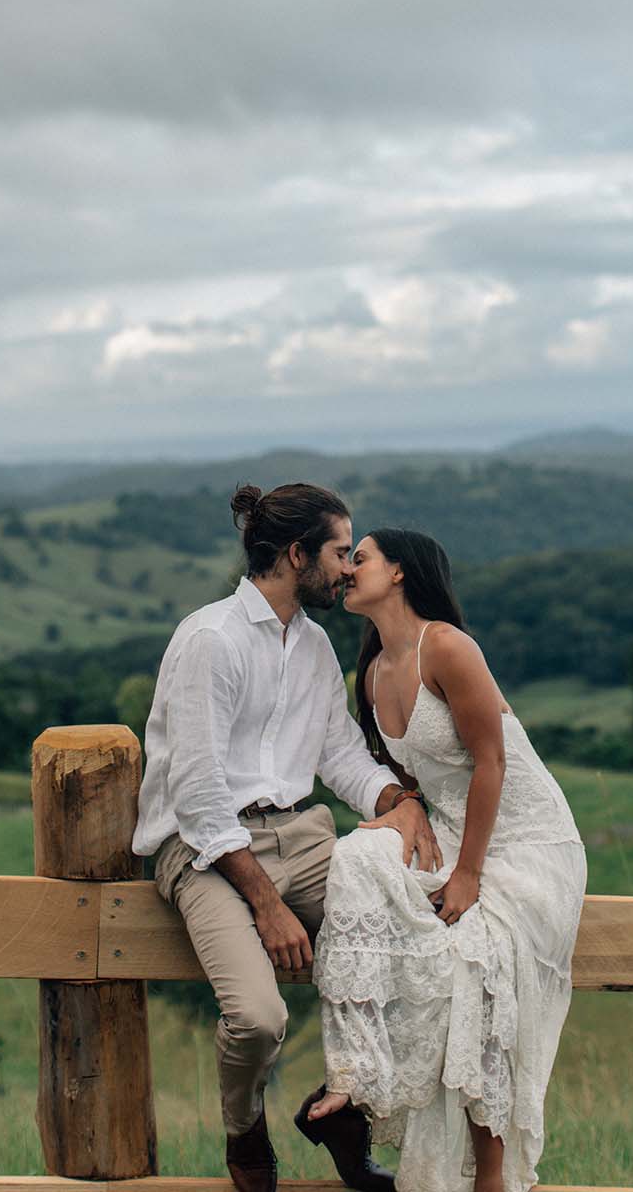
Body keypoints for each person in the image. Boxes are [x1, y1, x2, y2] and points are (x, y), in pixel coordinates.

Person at [132, 483, 441, 1192]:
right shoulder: (209, 639)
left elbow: (337, 755)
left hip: (301, 836)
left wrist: (398, 800)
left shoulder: (311, 646)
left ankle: (342, 1108)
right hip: (205, 852)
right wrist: (267, 904)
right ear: (296, 553)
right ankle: (245, 1132)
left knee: (413, 949)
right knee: (258, 1017)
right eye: (338, 551)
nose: (347, 567)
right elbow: (201, 795)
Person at [296, 529, 587, 1192]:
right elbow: (420, 776)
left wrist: (468, 875)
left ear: (399, 572)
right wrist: (404, 808)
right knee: (360, 855)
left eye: (359, 557)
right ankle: (356, 1075)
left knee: (471, 956)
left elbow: (492, 763)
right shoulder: (370, 674)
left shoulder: (448, 647)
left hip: (526, 842)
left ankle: (487, 1172)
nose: (346, 571)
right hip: (456, 831)